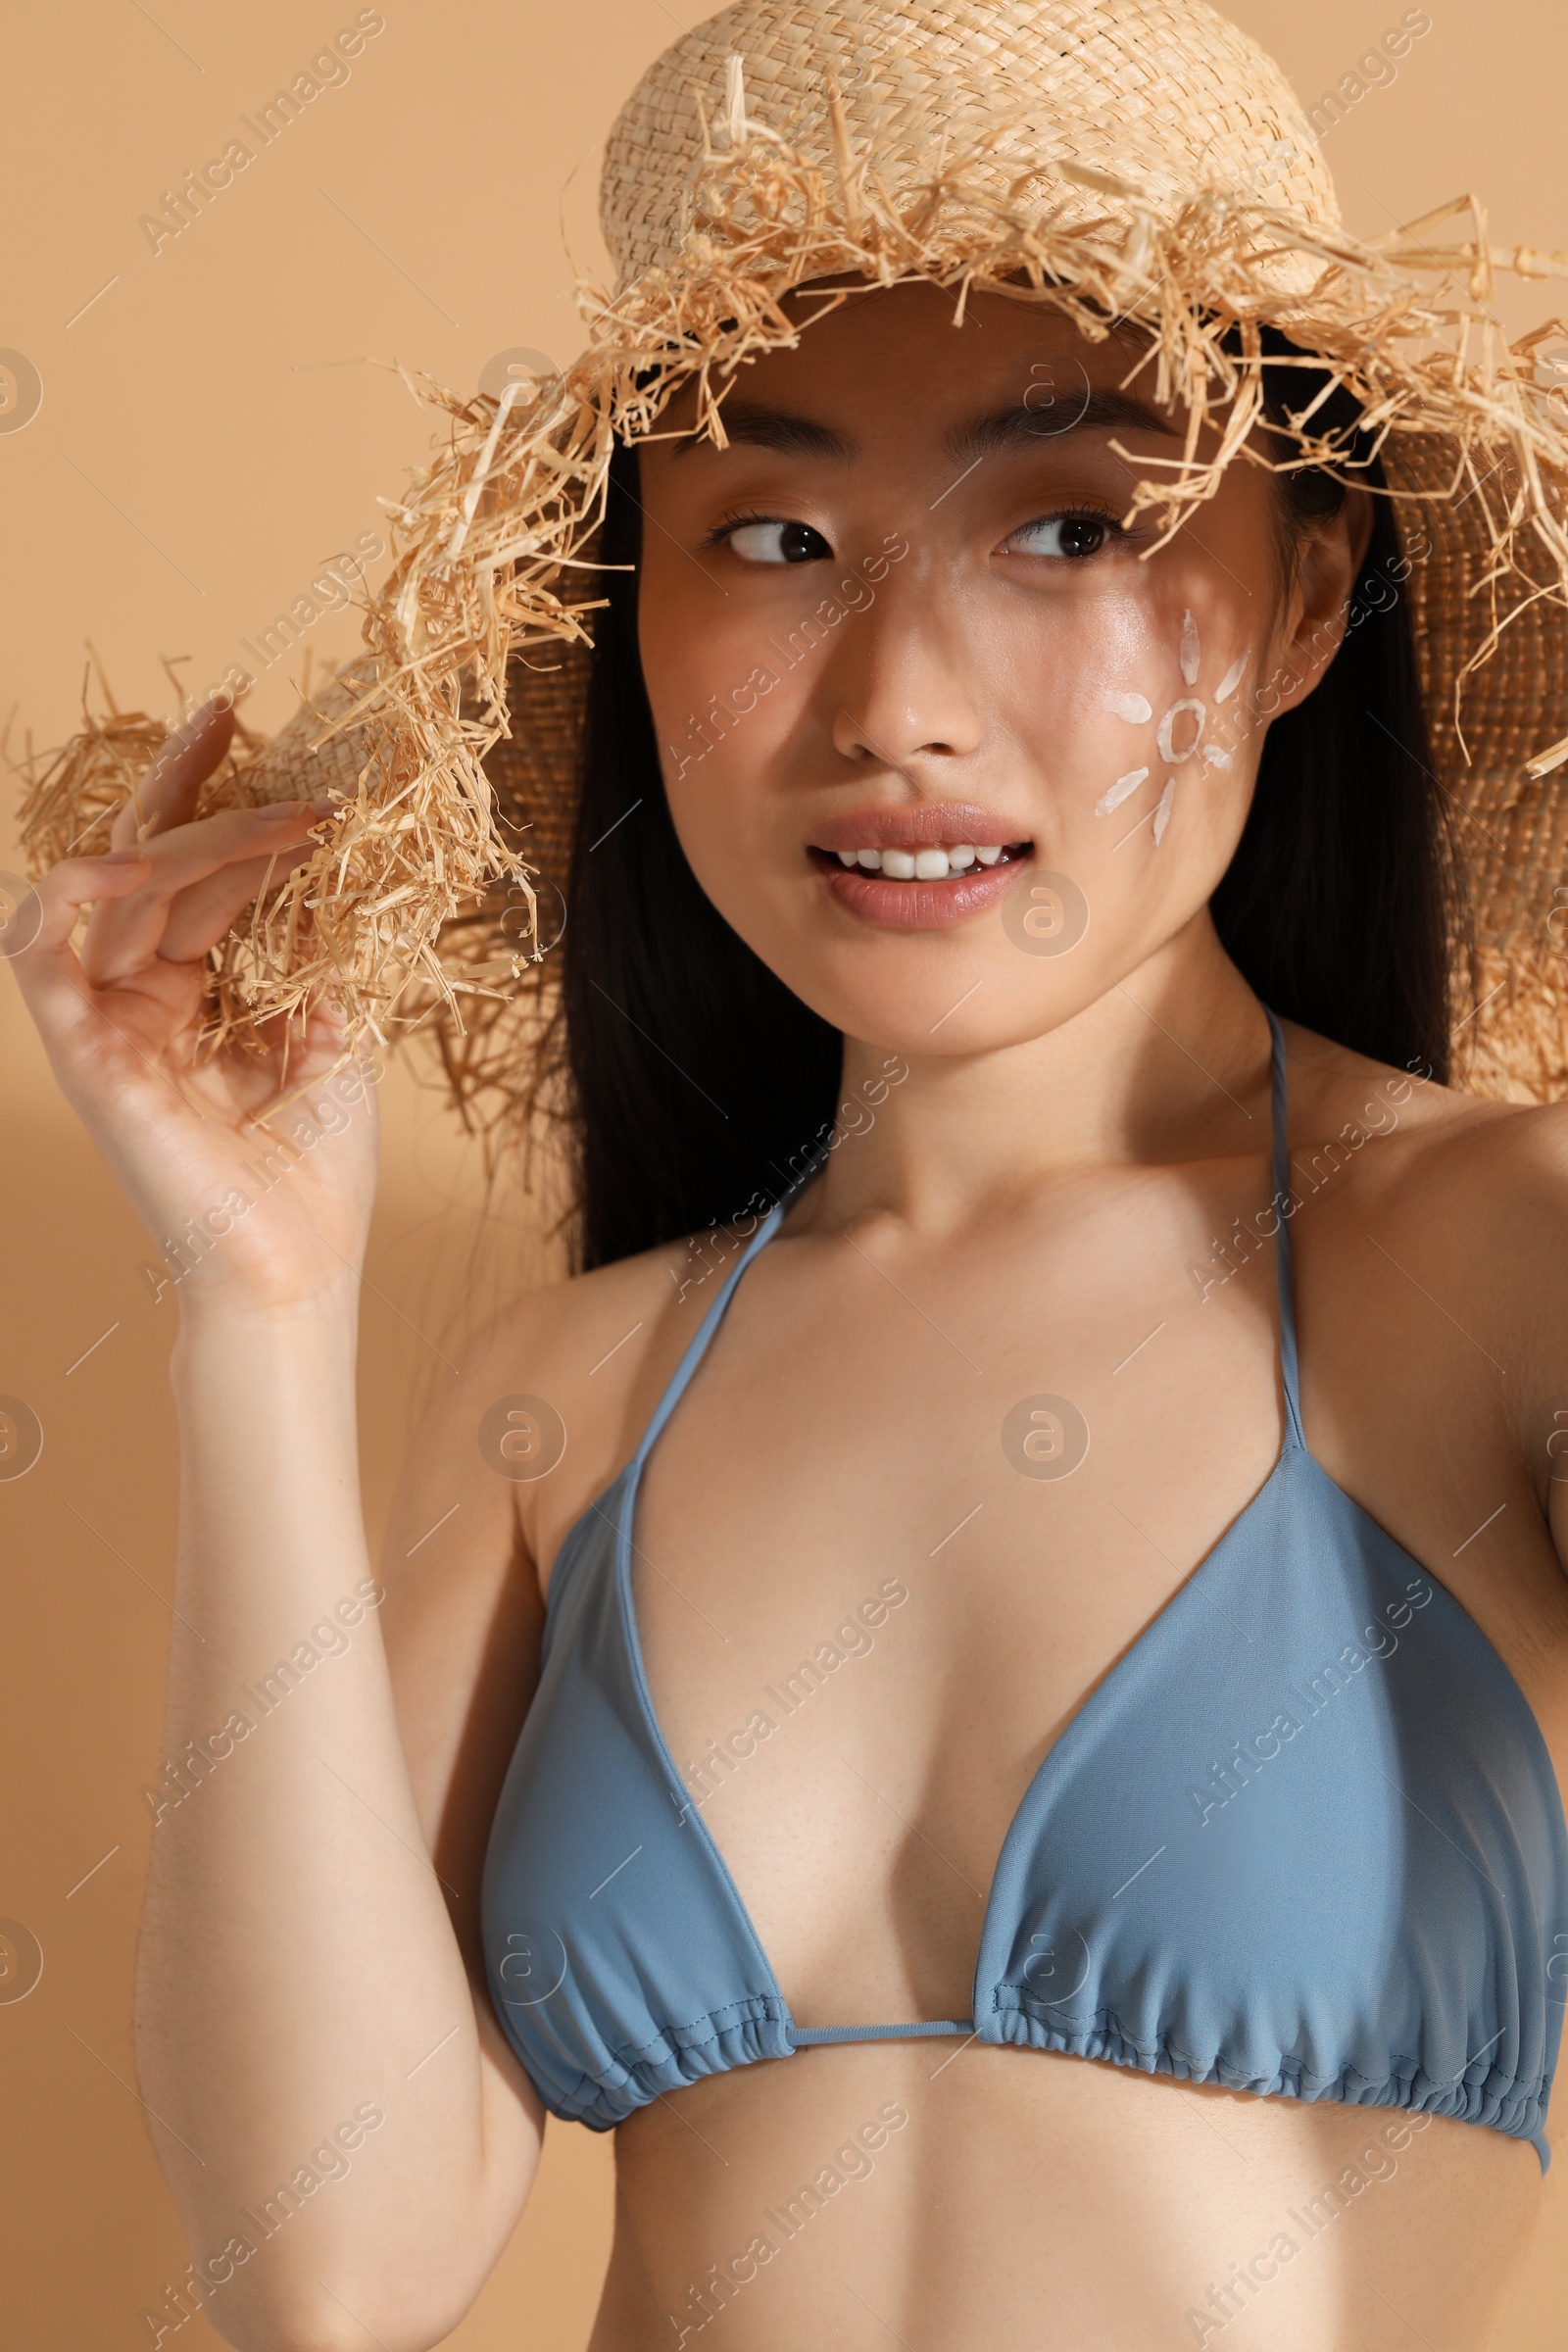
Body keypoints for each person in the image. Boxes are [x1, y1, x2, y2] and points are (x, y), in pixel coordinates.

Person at [13, 2, 1568, 2346]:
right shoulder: (573, 1398)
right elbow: (322, 2270)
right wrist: (250, 1310)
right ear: (629, 616)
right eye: (775, 534)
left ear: (1305, 600)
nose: (897, 704)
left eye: (1067, 523)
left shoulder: (1501, 1256)